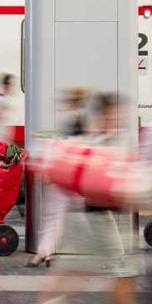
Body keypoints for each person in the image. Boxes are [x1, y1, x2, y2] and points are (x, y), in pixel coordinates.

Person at [39, 93, 143, 304]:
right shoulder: (97, 144)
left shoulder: (98, 141)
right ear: (103, 115)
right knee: (123, 271)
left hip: (94, 218)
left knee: (74, 270)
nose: (119, 118)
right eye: (115, 114)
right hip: (100, 219)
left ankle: (48, 302)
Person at [27, 87, 89, 268]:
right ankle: (45, 252)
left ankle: (45, 252)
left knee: (56, 215)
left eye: (66, 100)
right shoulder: (76, 119)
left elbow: (74, 147)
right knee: (55, 215)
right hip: (64, 175)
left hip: (66, 175)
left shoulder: (77, 120)